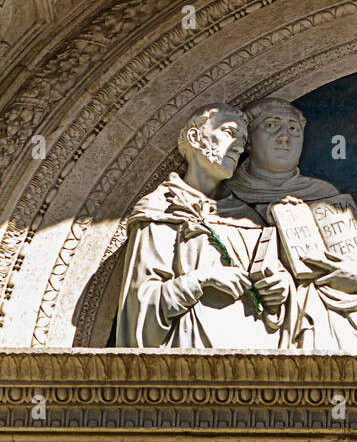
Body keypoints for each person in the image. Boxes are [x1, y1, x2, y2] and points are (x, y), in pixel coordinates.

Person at [115, 103, 290, 348]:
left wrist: (280, 290)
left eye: (242, 140)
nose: (239, 147)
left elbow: (275, 290)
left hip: (253, 357)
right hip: (189, 364)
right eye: (229, 133)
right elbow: (141, 308)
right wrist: (202, 279)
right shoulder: (162, 210)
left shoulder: (248, 219)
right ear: (195, 138)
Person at [222, 96, 357, 351]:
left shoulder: (324, 194)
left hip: (324, 328)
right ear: (248, 140)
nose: (284, 137)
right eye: (272, 126)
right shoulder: (224, 198)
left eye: (293, 129)